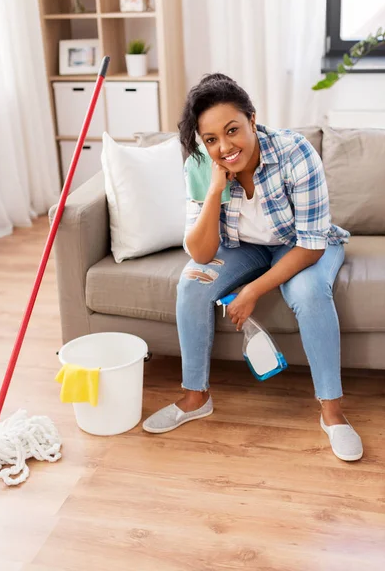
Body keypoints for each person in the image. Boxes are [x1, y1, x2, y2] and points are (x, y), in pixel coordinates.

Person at [143, 73, 363, 462]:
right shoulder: (201, 165)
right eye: (211, 139)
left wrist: (251, 291)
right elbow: (200, 252)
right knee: (191, 283)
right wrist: (214, 189)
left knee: (310, 292)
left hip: (302, 244)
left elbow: (311, 246)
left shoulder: (295, 152)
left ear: (252, 119)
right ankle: (196, 397)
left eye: (233, 131)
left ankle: (333, 412)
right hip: (244, 248)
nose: (224, 147)